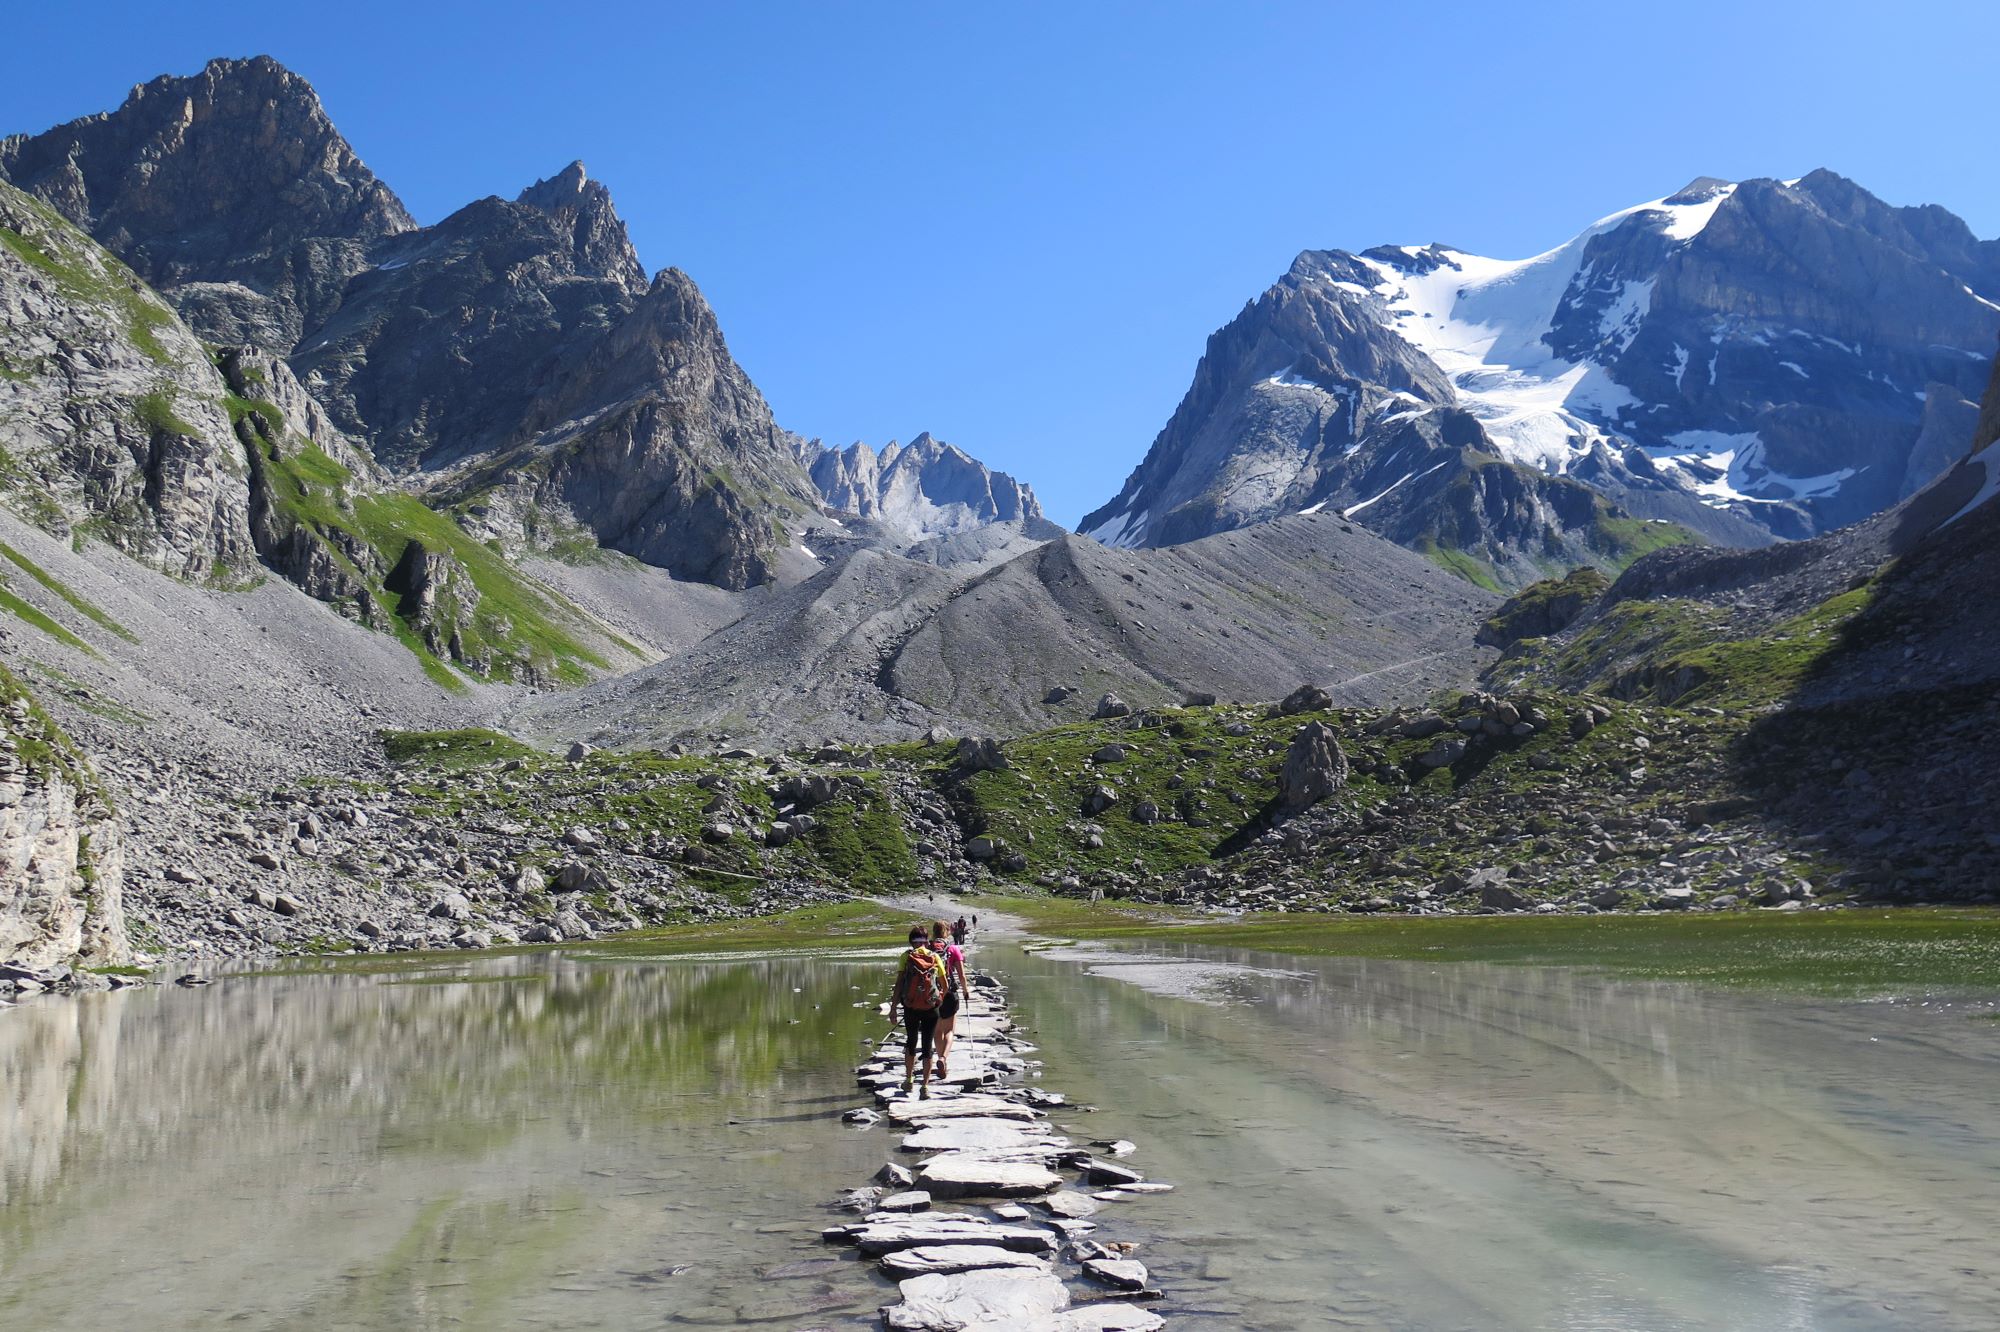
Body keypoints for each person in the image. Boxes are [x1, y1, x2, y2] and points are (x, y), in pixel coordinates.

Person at [887, 925, 948, 1099]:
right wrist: (938, 999)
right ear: (927, 941)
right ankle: (925, 1087)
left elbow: (899, 984)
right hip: (931, 1007)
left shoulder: (906, 957)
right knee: (928, 1045)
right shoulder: (935, 956)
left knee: (911, 1041)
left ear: (910, 941)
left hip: (911, 1006)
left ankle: (909, 1079)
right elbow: (945, 985)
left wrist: (893, 1008)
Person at [928, 920, 971, 1081]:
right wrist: (966, 991)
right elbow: (961, 975)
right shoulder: (953, 949)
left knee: (937, 1031)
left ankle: (940, 1060)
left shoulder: (928, 949)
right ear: (947, 931)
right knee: (950, 1030)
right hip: (949, 993)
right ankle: (943, 1059)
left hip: (932, 995)